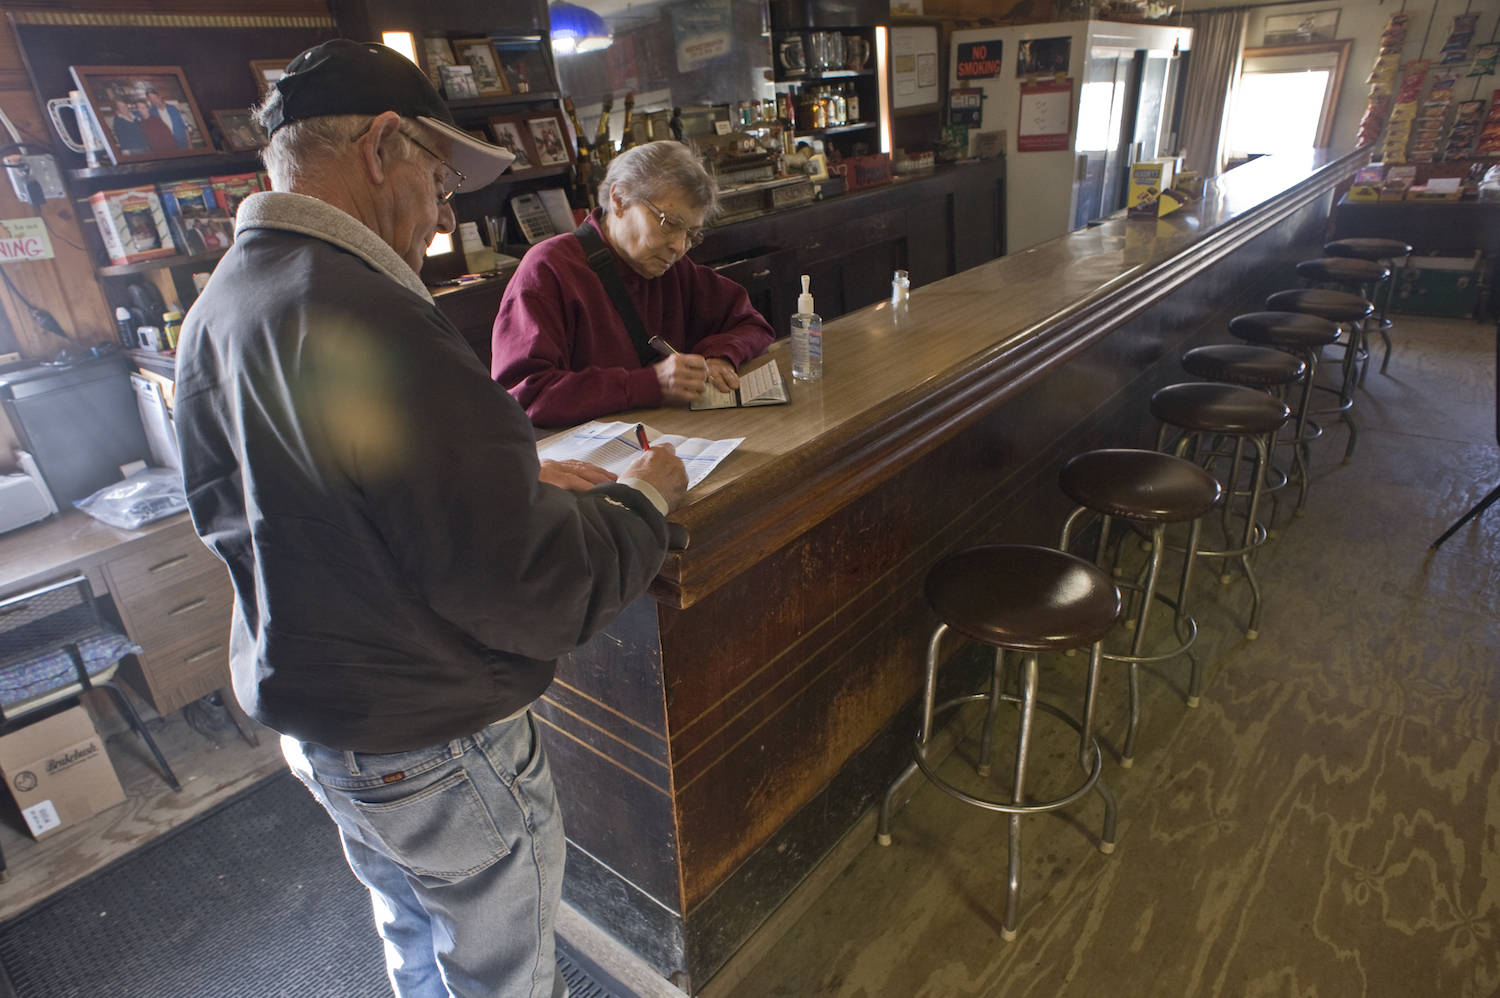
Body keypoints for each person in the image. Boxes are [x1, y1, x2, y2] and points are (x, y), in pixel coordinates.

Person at [173, 39, 688, 998]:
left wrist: (510, 475)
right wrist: (645, 501)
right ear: (380, 147)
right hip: (431, 739)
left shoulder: (226, 303)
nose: (446, 208)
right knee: (505, 977)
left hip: (325, 725)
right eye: (439, 176)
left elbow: (298, 500)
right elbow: (533, 588)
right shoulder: (369, 314)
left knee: (415, 938)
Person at [491, 140, 775, 428]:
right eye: (669, 223)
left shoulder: (674, 270)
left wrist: (718, 357)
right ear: (620, 199)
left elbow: (752, 324)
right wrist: (650, 384)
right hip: (585, 459)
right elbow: (524, 396)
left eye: (691, 234)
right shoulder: (548, 269)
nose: (679, 247)